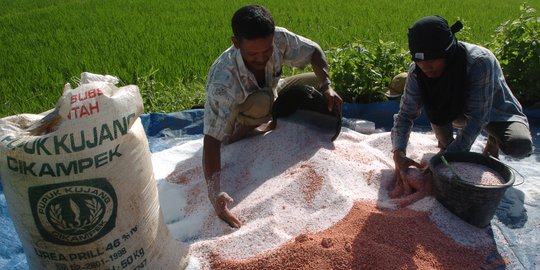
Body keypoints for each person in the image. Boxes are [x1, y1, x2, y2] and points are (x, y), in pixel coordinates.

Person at [203, 4, 343, 228]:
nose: (261, 58)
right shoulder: (223, 80)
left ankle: (273, 114)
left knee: (313, 82)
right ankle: (241, 132)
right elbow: (210, 141)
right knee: (261, 103)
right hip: (241, 108)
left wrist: (327, 86)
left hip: (272, 89)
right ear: (236, 43)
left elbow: (314, 51)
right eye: (253, 54)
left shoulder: (279, 38)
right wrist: (214, 192)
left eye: (266, 51)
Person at [390, 15, 532, 196]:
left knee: (519, 146)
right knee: (448, 154)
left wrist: (448, 157)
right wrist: (398, 153)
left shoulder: (479, 62)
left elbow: (478, 118)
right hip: (455, 111)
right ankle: (446, 146)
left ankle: (493, 139)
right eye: (419, 60)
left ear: (447, 53)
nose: (425, 66)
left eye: (432, 59)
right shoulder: (417, 71)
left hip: (496, 112)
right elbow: (405, 115)